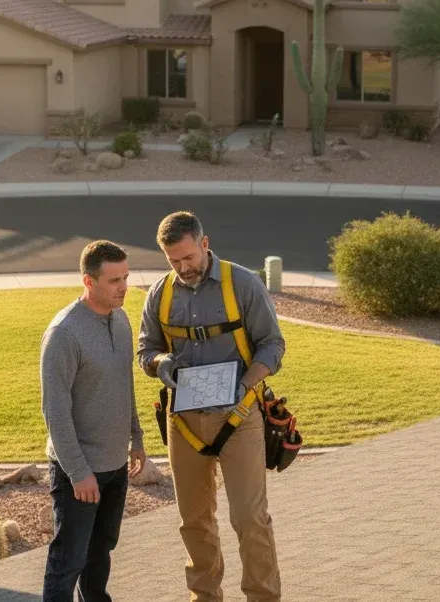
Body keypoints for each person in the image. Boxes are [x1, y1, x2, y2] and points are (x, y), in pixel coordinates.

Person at [137, 211, 285, 602]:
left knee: (249, 519)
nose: (182, 267)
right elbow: (145, 350)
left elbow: (273, 345)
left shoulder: (243, 284)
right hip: (183, 422)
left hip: (240, 417)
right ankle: (204, 597)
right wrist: (159, 363)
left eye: (188, 257)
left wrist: (246, 383)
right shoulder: (160, 293)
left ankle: (263, 597)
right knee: (194, 521)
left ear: (205, 244)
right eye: (173, 260)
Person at [40, 239, 147, 602]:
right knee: (67, 560)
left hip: (115, 465)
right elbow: (55, 410)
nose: (123, 287)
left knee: (100, 553)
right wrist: (78, 471)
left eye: (126, 277)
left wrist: (136, 438)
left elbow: (124, 383)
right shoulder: (64, 334)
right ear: (89, 281)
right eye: (114, 280)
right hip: (80, 470)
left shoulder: (121, 320)